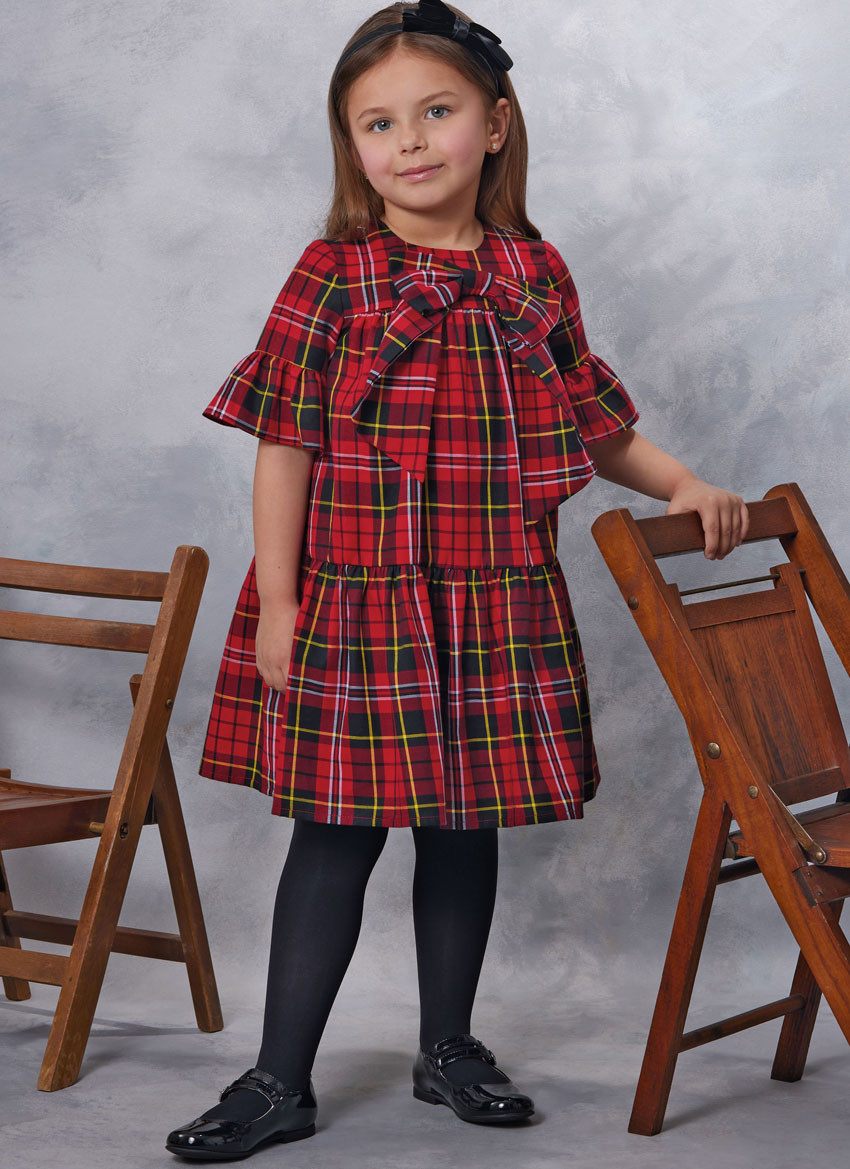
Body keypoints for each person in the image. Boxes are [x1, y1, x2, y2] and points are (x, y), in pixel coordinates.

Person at [166, 0, 749, 1159]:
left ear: (495, 123)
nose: (410, 141)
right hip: (357, 598)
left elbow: (594, 425)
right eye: (378, 123)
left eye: (435, 111)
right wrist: (279, 602)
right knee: (336, 831)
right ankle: (278, 1078)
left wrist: (682, 482)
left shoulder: (532, 270)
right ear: (352, 146)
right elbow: (284, 444)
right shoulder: (334, 273)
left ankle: (447, 1046)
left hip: (494, 600)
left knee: (460, 824)